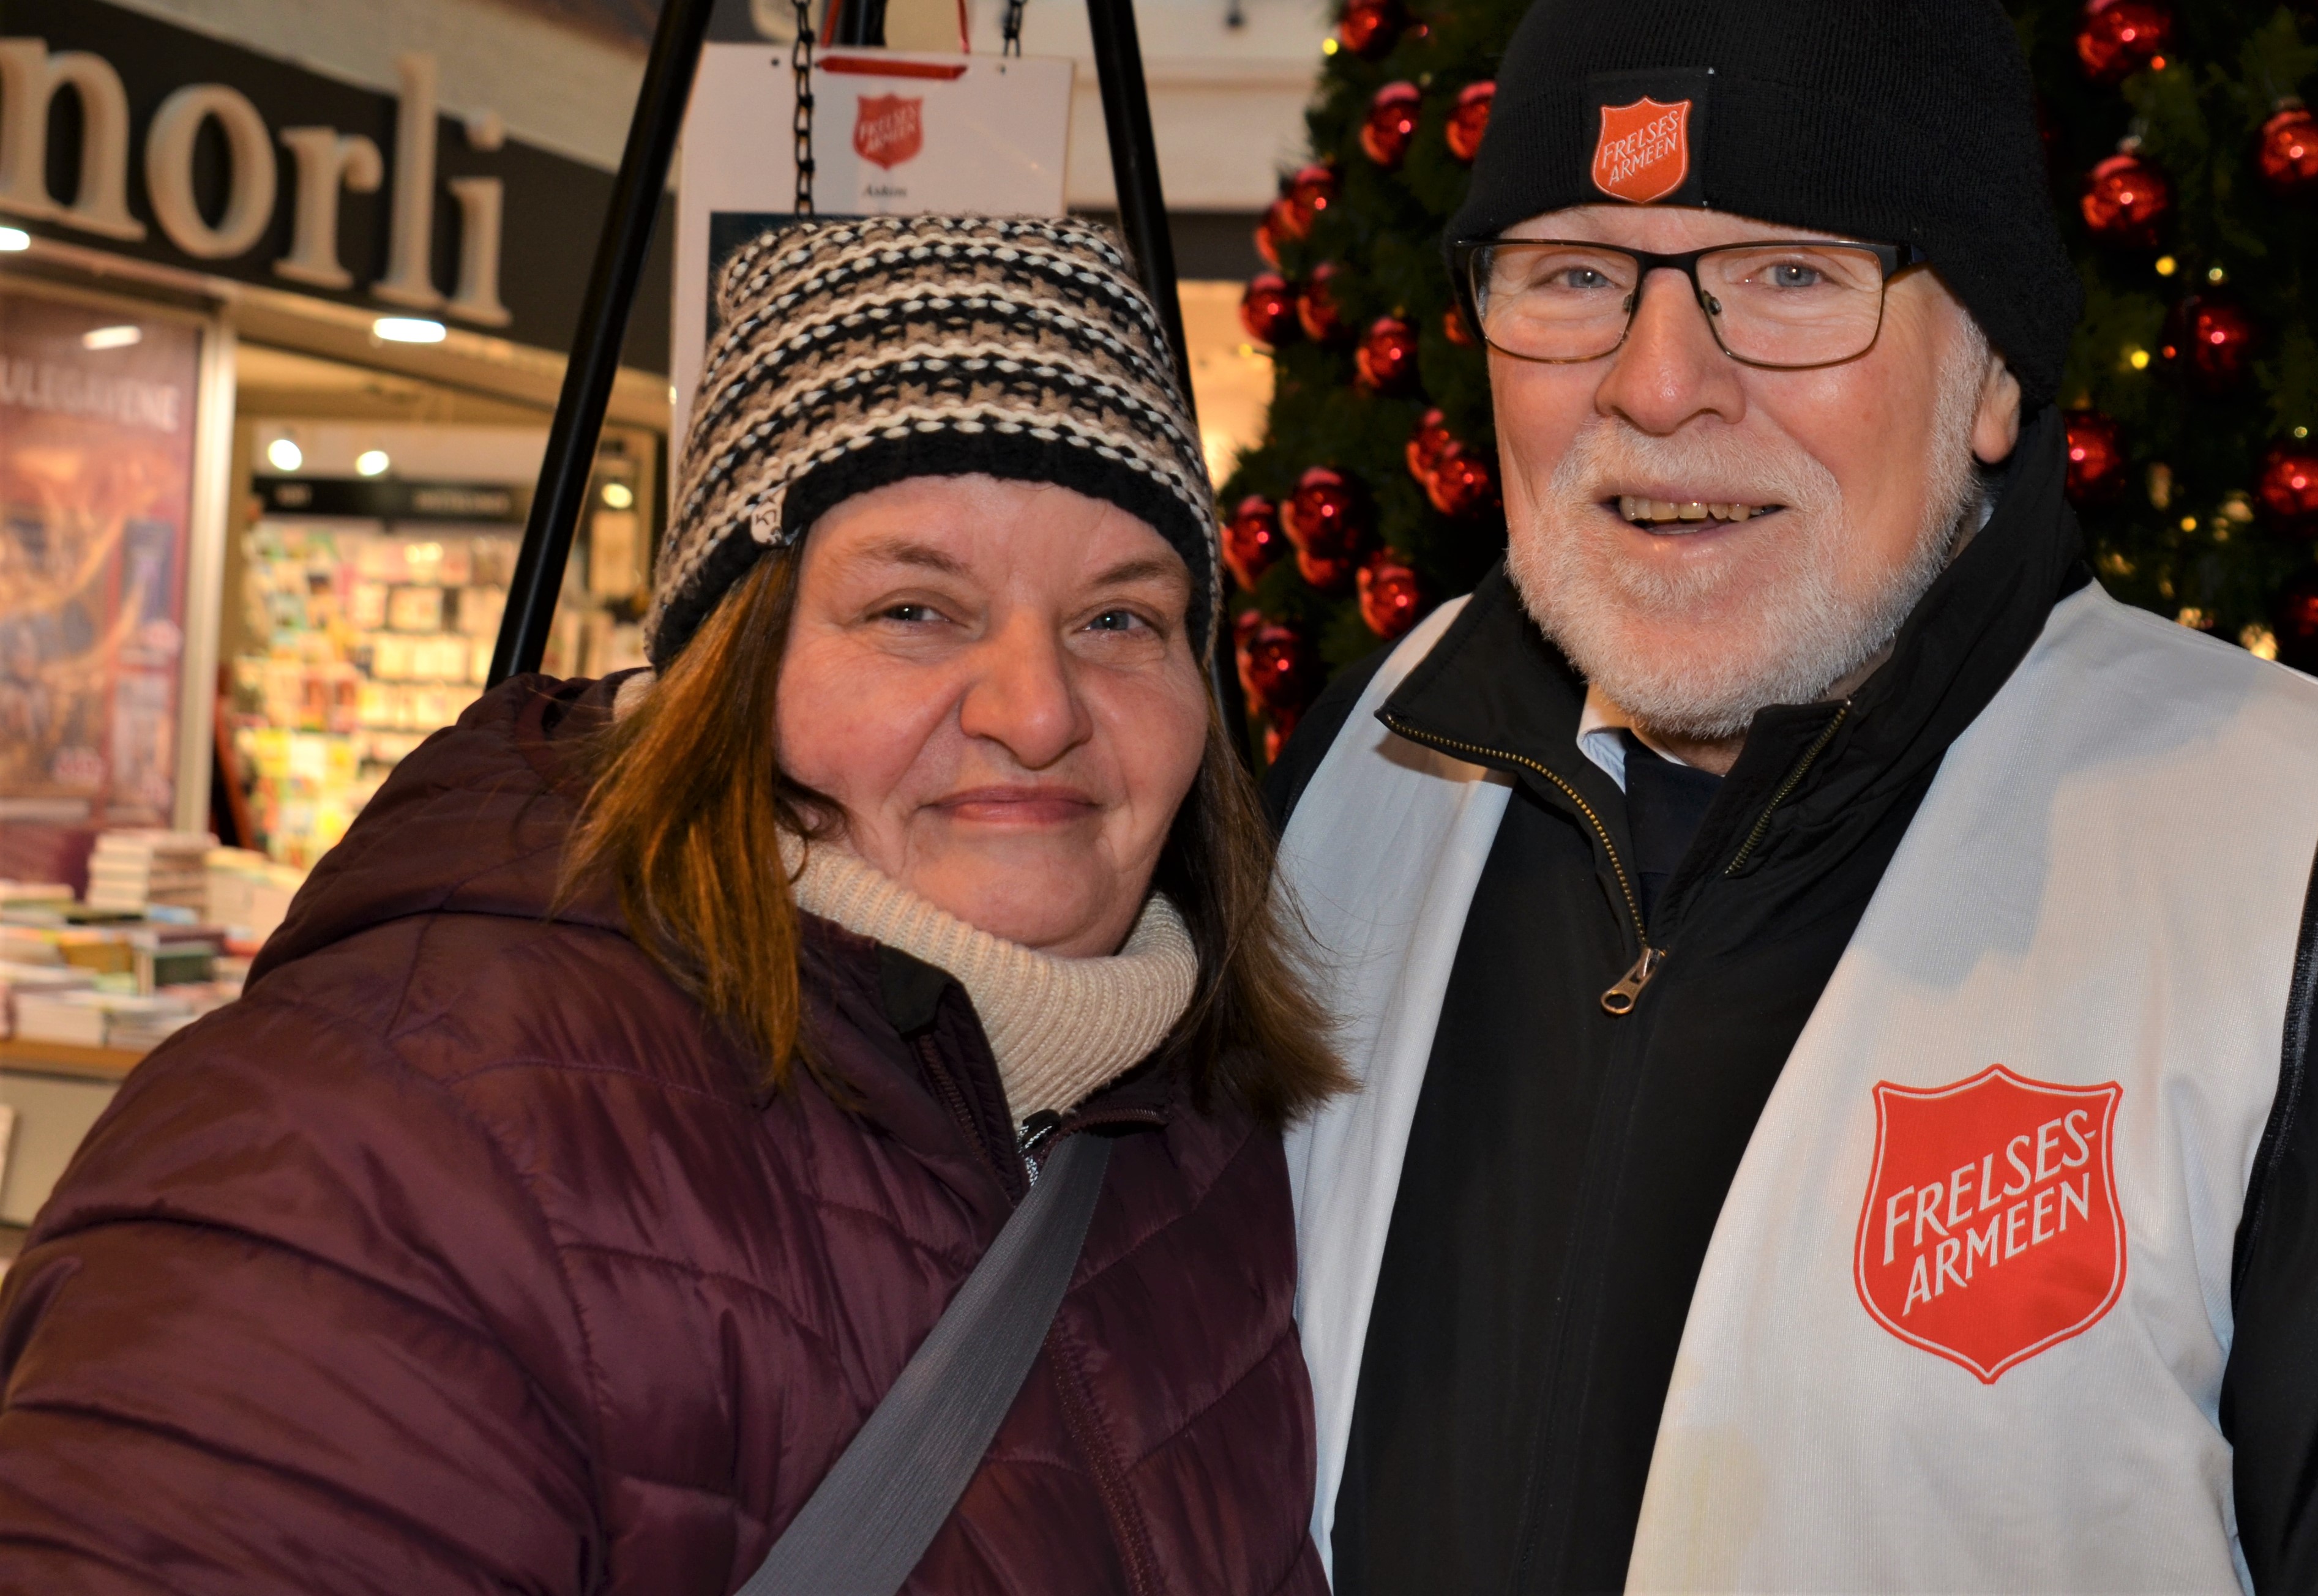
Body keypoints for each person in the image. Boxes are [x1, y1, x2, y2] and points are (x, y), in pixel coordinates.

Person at [1266, 0, 2318, 1594]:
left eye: (1794, 275)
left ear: (1999, 374)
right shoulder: (1359, 779)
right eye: (1571, 273)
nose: (1656, 381)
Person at [0, 215, 1344, 1594]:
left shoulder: (1197, 1143)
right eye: (912, 612)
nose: (1039, 711)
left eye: (1120, 619)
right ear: (730, 666)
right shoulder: (371, 1150)